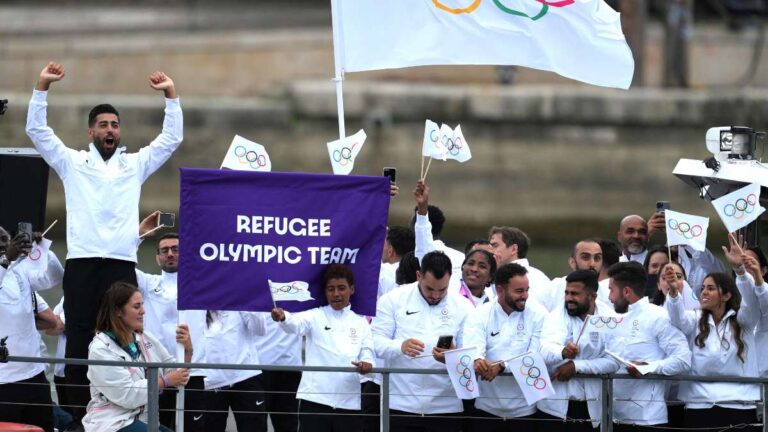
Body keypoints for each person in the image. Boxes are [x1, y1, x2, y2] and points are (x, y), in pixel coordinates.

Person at [26, 61, 184, 422]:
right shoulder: (72, 162)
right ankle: (83, 418)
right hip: (81, 264)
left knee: (122, 337)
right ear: (91, 132)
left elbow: (171, 140)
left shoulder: (135, 164)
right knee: (79, 341)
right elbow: (37, 130)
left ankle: (124, 412)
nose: (109, 130)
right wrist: (42, 87)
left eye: (114, 124)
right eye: (103, 125)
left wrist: (171, 96)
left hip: (120, 264)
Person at [664, 238, 765, 431]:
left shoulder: (743, 321)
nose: (703, 292)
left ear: (727, 295)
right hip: (699, 404)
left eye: (710, 288)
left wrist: (740, 272)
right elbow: (678, 319)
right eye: (702, 288)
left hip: (738, 404)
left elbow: (751, 303)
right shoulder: (695, 318)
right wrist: (674, 292)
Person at [371, 251, 474, 432]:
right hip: (399, 404)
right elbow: (374, 342)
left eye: (442, 289)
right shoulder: (392, 300)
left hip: (447, 406)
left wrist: (452, 355)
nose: (435, 295)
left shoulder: (464, 306)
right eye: (430, 289)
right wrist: (400, 346)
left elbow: (473, 352)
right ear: (418, 275)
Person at [271, 264, 374, 431]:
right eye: (330, 289)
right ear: (325, 292)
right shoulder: (316, 315)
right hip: (314, 401)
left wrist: (367, 364)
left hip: (349, 403)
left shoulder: (361, 322)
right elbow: (295, 324)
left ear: (352, 289)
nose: (336, 294)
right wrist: (283, 317)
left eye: (341, 288)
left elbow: (367, 351)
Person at [82, 282, 192, 432]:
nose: (143, 311)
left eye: (142, 305)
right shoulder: (100, 349)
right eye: (136, 306)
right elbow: (126, 395)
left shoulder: (145, 337)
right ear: (118, 311)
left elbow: (176, 372)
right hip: (114, 422)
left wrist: (187, 350)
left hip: (146, 419)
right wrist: (164, 381)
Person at [135, 215, 208, 431]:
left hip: (191, 372)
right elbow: (122, 263)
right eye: (164, 250)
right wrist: (140, 237)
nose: (170, 254)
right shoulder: (148, 283)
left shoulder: (202, 283)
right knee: (158, 428)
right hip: (158, 372)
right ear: (157, 258)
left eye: (176, 249)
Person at [606, 262, 691, 431]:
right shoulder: (609, 319)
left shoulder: (658, 317)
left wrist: (648, 368)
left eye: (611, 290)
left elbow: (683, 359)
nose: (609, 297)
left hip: (648, 420)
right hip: (611, 418)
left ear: (627, 291)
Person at [463, 263, 547, 431]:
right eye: (519, 291)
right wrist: (478, 361)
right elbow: (473, 348)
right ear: (500, 290)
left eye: (527, 290)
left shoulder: (539, 314)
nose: (525, 296)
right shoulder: (480, 313)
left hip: (526, 411)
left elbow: (535, 356)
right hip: (484, 409)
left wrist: (501, 366)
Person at [0, 225, 64, 432]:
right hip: (3, 381)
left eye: (5, 239)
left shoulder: (19, 270)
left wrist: (42, 248)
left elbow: (54, 277)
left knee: (43, 428)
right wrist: (6, 260)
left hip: (34, 374)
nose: (3, 244)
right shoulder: (7, 264)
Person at [538, 270, 619, 432]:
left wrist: (576, 366)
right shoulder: (556, 315)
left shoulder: (609, 318)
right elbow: (544, 350)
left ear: (593, 296)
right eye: (566, 293)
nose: (568, 298)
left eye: (574, 294)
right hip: (555, 408)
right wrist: (562, 351)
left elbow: (614, 362)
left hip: (593, 407)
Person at [202, 309, 268, 432]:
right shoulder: (197, 299)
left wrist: (248, 296)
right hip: (210, 381)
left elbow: (260, 329)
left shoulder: (240, 294)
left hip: (246, 375)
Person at [488, 226, 551, 309]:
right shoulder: (490, 277)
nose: (490, 251)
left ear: (513, 249)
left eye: (495, 246)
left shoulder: (535, 279)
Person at [548, 239, 611, 310]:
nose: (592, 264)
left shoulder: (609, 295)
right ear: (572, 262)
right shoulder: (553, 290)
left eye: (597, 258)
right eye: (585, 257)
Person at [380, 226, 415, 298]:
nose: (380, 249)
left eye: (383, 245)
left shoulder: (381, 271)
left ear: (390, 251)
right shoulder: (419, 272)